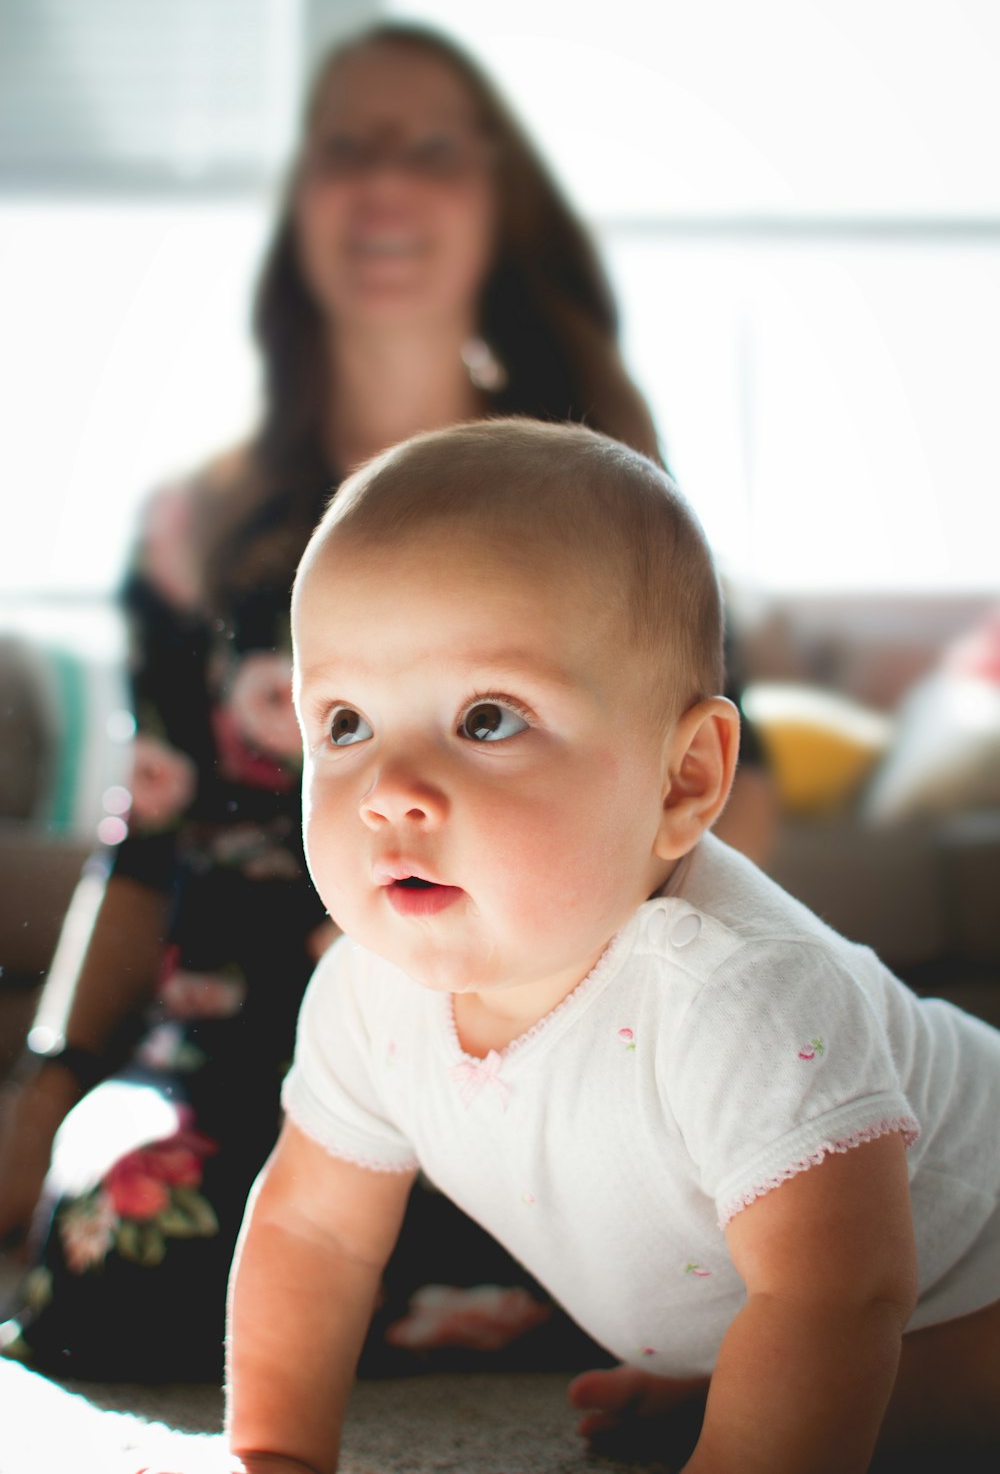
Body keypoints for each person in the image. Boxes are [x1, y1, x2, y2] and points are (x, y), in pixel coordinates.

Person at [0, 22, 772, 1381]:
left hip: (543, 1027)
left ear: (498, 200)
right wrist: (51, 1080)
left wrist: (626, 1030)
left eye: (429, 148)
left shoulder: (608, 495)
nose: (384, 183)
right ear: (298, 208)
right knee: (121, 1259)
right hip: (245, 1049)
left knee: (710, 1260)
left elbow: (719, 787)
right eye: (345, 148)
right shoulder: (198, 527)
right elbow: (148, 842)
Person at [177, 418, 1000, 1474]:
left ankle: (735, 1400)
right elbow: (315, 1235)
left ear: (682, 780)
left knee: (936, 1401)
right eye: (344, 724)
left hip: (969, 1282)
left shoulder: (737, 995)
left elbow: (837, 1296)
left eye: (484, 719)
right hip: (858, 1307)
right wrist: (275, 1453)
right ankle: (727, 1391)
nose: (388, 792)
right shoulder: (365, 992)